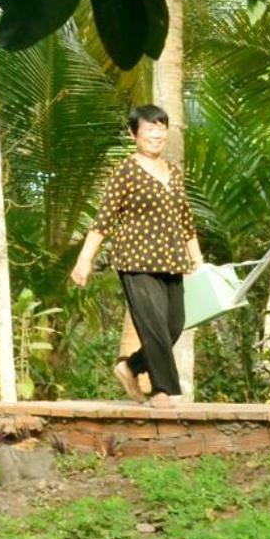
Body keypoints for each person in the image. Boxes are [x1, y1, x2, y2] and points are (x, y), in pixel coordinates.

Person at [68, 104, 203, 407]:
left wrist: (198, 259)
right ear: (134, 134)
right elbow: (103, 219)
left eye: (161, 128)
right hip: (136, 259)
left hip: (172, 260)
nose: (156, 134)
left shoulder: (174, 173)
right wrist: (85, 259)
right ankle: (162, 391)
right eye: (149, 129)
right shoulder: (125, 171)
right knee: (153, 325)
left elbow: (186, 220)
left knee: (174, 325)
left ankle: (129, 367)